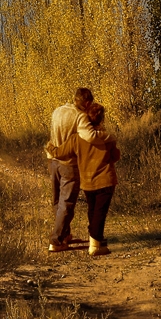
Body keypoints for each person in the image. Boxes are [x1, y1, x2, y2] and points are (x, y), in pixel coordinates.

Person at [46, 100, 120, 257]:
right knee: (99, 212)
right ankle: (95, 244)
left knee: (90, 210)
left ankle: (87, 240)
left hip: (87, 182)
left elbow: (59, 152)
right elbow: (116, 156)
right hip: (105, 179)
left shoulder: (75, 138)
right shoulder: (107, 138)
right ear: (101, 119)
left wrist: (49, 146)